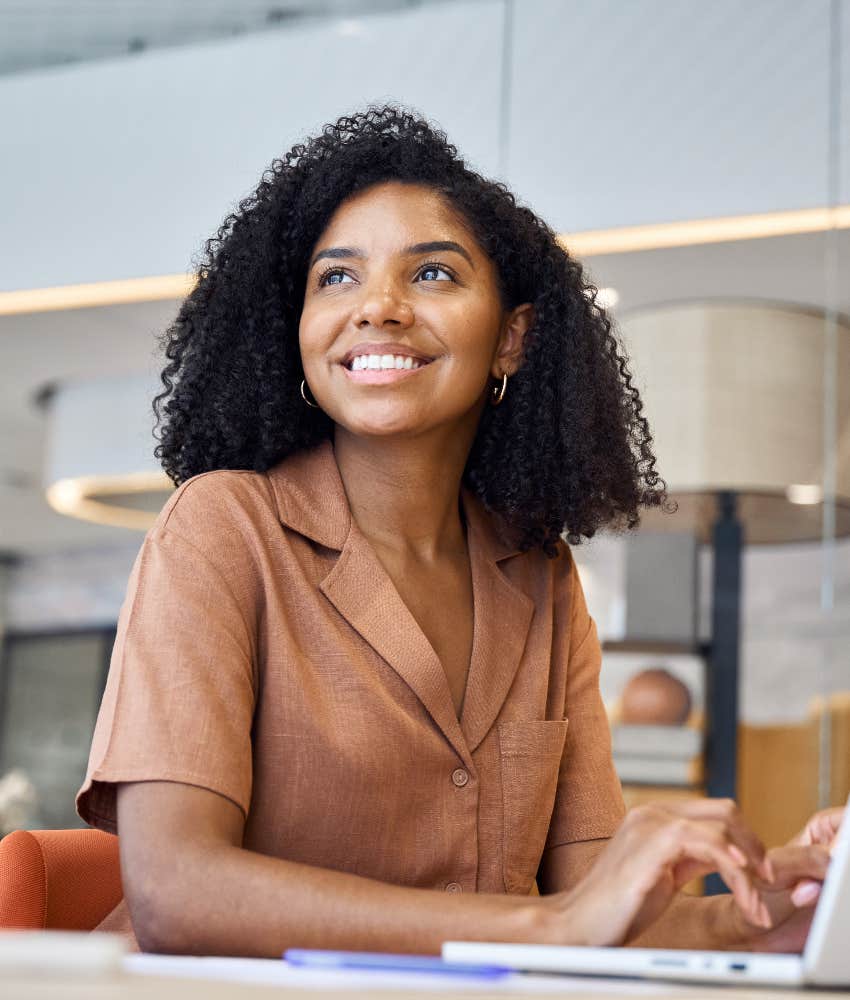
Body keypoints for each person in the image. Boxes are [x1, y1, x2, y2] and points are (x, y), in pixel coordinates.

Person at [76, 104, 839, 957]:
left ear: (512, 338)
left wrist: (790, 897)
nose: (379, 308)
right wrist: (543, 923)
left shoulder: (541, 577)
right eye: (336, 278)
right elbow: (176, 892)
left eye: (432, 274)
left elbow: (601, 913)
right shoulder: (223, 529)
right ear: (293, 335)